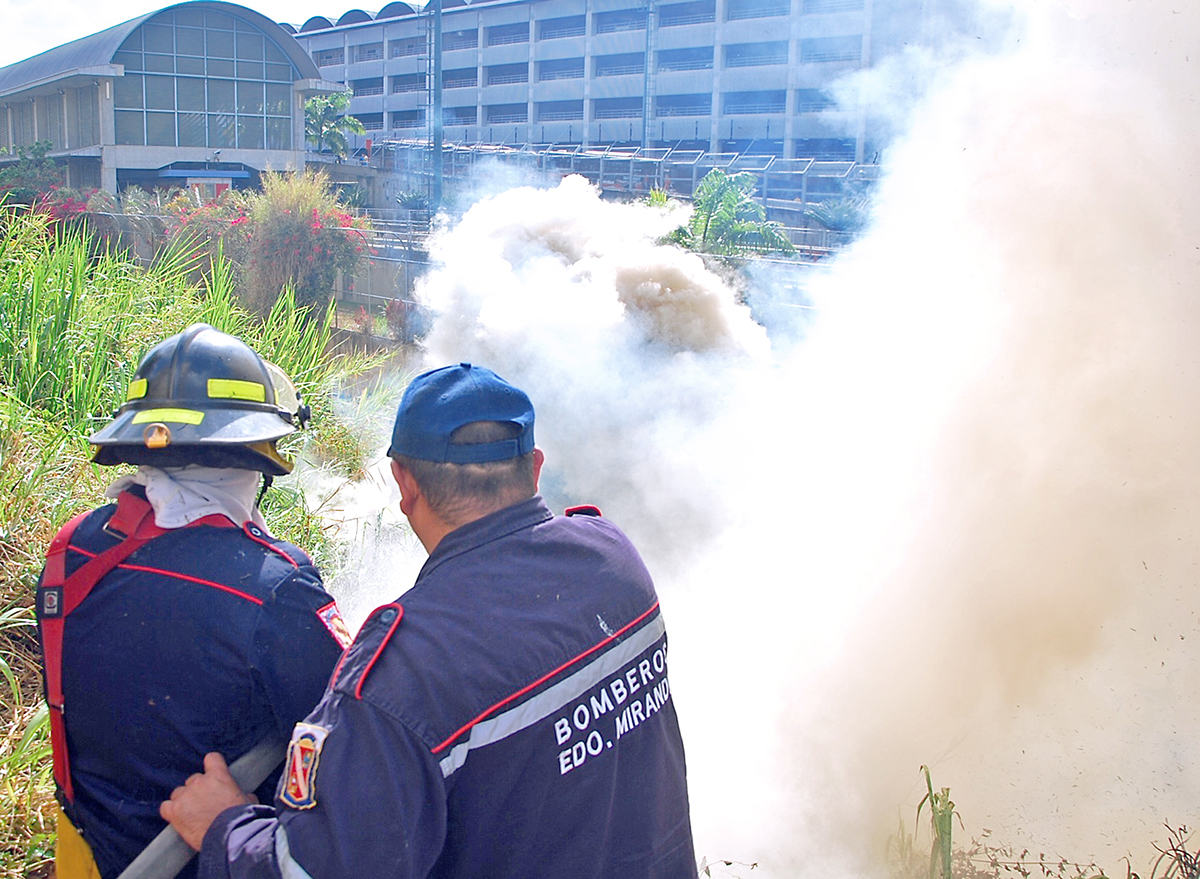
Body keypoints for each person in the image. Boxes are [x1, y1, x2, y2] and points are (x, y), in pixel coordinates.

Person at [161, 362, 697, 878]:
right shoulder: (613, 556)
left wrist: (224, 827)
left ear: (404, 483)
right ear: (534, 467)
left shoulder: (405, 670)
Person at [37, 324, 352, 879]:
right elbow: (347, 744)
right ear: (254, 454)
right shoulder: (275, 587)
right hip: (209, 859)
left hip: (88, 851)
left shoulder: (74, 548)